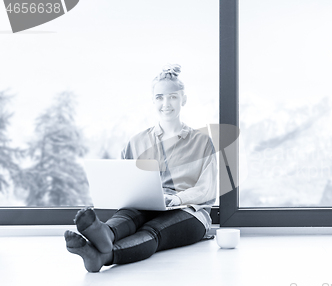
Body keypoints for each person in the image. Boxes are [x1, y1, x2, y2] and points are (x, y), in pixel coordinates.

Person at [64, 64, 217, 272]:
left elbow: (207, 190)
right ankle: (105, 232)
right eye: (160, 97)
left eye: (172, 97)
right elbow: (123, 181)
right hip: (146, 205)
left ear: (184, 99)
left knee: (152, 231)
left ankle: (104, 256)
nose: (166, 103)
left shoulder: (202, 141)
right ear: (153, 100)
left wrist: (177, 199)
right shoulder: (136, 142)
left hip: (190, 212)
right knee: (126, 216)